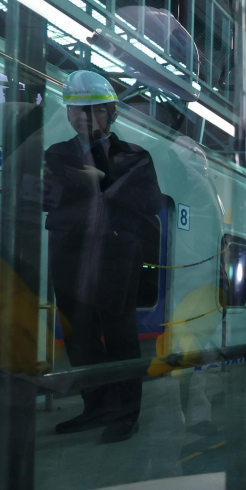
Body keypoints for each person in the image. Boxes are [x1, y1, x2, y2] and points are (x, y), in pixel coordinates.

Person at [45, 70, 163, 443]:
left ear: (112, 114)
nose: (83, 116)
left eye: (93, 109)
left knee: (120, 336)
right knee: (79, 337)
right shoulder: (57, 154)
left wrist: (104, 181)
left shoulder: (135, 157)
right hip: (70, 258)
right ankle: (96, 406)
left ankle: (126, 413)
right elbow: (46, 198)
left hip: (115, 260)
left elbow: (150, 203)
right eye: (76, 109)